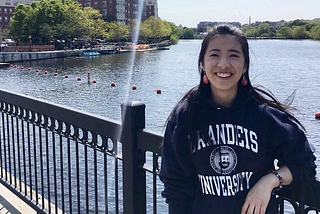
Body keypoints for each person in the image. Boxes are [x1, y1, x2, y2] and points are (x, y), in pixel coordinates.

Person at [159, 25, 317, 214]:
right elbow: (175, 185)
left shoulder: (264, 116)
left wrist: (271, 180)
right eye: (214, 55)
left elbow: (304, 164)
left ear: (245, 65)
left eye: (233, 55)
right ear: (202, 63)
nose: (224, 64)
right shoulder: (185, 116)